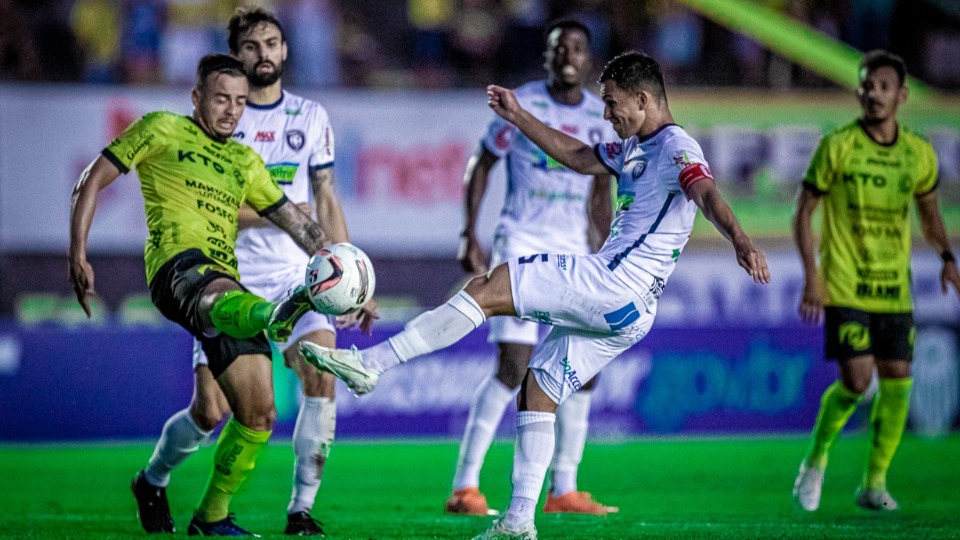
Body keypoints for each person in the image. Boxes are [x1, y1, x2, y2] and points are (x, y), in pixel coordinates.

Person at [300, 51, 770, 539]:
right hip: (633, 310)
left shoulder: (676, 146)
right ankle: (519, 520)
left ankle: (371, 365)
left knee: (489, 286)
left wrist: (740, 239)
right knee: (539, 387)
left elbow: (707, 193)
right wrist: (521, 115)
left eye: (611, 104)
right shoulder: (634, 148)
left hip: (613, 283)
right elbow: (577, 155)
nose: (605, 114)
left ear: (644, 100)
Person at [130, 8, 377, 536]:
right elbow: (207, 202)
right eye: (252, 46)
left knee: (321, 373)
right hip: (226, 275)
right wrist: (279, 210)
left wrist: (350, 274)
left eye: (272, 43)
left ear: (285, 51)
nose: (263, 53)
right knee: (210, 411)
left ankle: (300, 510)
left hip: (297, 273)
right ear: (236, 57)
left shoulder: (310, 116)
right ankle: (153, 476)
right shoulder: (225, 117)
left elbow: (326, 198)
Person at [69, 53, 326, 536]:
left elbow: (297, 222)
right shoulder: (163, 129)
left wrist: (339, 264)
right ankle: (276, 313)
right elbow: (91, 180)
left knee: (253, 414)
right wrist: (77, 252)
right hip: (178, 271)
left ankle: (205, 514)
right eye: (221, 99)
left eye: (240, 102)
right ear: (197, 98)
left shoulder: (244, 161)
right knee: (225, 296)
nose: (232, 110)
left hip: (226, 289)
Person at [448, 19, 616, 517]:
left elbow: (601, 188)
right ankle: (465, 486)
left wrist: (604, 249)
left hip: (573, 251)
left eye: (578, 47)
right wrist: (468, 231)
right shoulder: (521, 104)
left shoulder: (598, 116)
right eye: (558, 46)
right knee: (513, 366)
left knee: (582, 372)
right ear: (547, 57)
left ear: (589, 58)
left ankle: (564, 488)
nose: (567, 54)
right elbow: (481, 164)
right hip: (520, 241)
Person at [791, 50, 959, 513]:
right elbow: (803, 214)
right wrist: (813, 278)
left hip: (893, 289)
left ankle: (874, 483)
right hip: (845, 284)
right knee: (857, 380)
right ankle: (816, 459)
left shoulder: (919, 154)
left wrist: (947, 256)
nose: (874, 93)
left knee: (900, 382)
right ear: (858, 91)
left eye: (884, 86)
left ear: (902, 95)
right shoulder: (838, 146)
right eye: (867, 85)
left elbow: (929, 213)